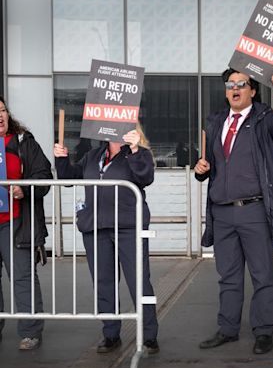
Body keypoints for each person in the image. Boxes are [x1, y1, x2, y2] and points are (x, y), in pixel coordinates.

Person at [194, 68, 273, 354]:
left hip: (254, 210)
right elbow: (209, 162)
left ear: (253, 90)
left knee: (262, 274)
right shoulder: (216, 122)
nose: (235, 88)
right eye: (230, 84)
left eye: (242, 84)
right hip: (222, 212)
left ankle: (263, 331)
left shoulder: (264, 118)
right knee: (227, 275)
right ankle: (228, 328)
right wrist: (200, 168)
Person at [53, 124, 159, 354]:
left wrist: (134, 149)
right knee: (103, 282)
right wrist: (61, 159)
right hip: (96, 227)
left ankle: (149, 336)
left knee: (139, 281)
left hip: (128, 227)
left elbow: (145, 176)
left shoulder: (138, 152)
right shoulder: (94, 155)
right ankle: (110, 333)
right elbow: (69, 178)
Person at [0, 96, 52, 350]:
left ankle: (30, 332)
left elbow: (43, 176)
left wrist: (25, 190)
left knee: (21, 276)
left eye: (2, 110)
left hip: (16, 221)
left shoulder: (24, 143)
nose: (0, 116)